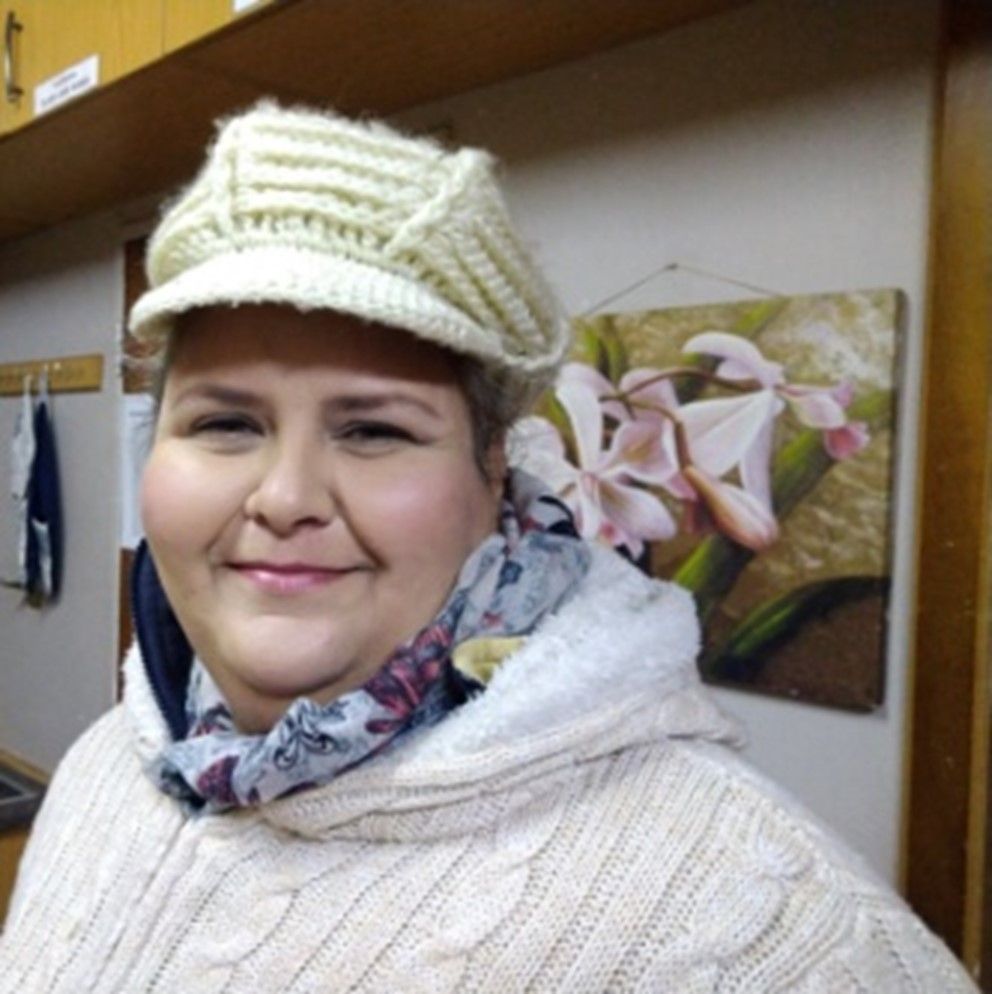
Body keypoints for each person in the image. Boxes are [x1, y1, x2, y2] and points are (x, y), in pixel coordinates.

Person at [0, 101, 976, 993]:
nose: (285, 497)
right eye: (223, 424)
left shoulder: (769, 932)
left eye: (373, 429)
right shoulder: (104, 768)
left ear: (493, 475)